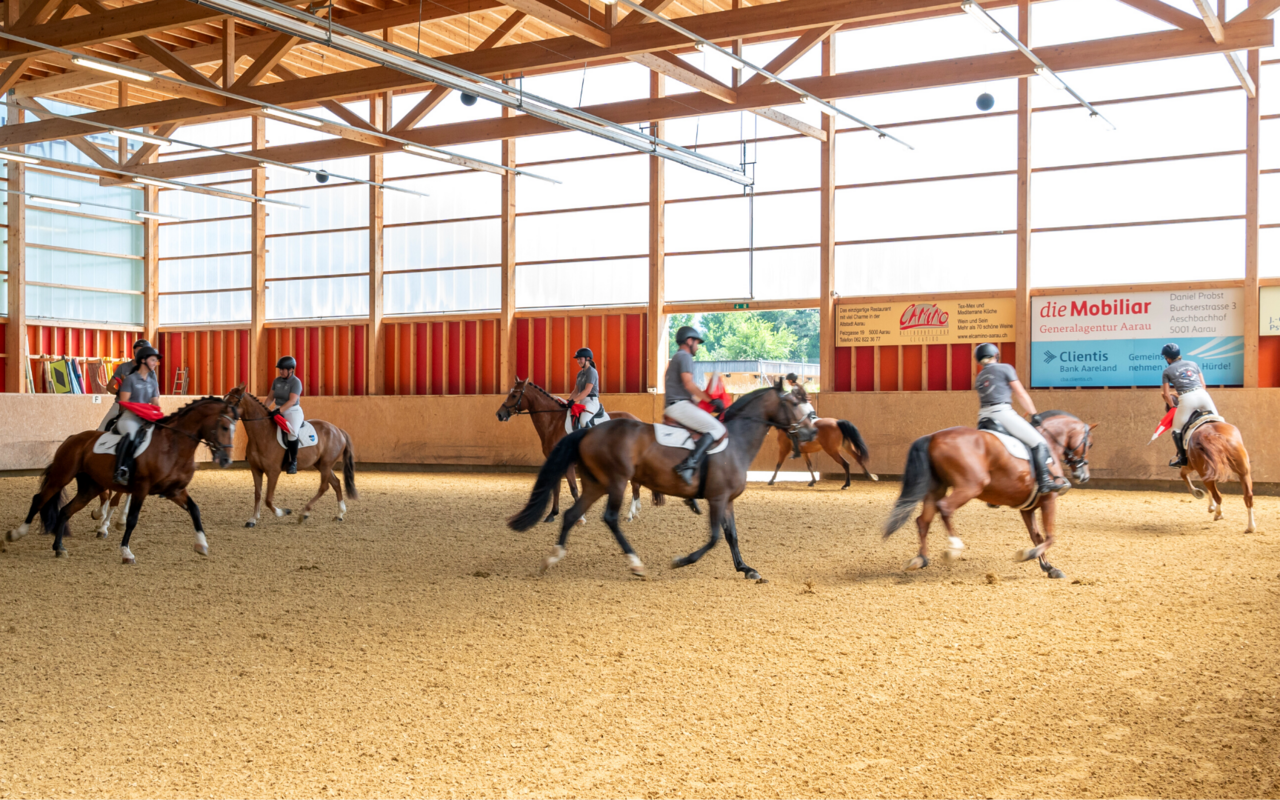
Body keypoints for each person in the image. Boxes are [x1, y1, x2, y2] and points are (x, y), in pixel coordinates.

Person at [973, 342, 1067, 495]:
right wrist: (1033, 414)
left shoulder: (979, 377)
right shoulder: (1005, 368)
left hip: (983, 417)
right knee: (1039, 443)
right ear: (996, 355)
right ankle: (1044, 482)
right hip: (1002, 413)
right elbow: (1021, 393)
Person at [665, 326, 727, 485]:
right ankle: (687, 465)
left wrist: (704, 404)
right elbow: (689, 384)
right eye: (697, 343)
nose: (697, 347)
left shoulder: (676, 358)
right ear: (689, 341)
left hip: (678, 404)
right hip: (679, 406)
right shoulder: (685, 357)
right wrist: (711, 400)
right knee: (718, 429)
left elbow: (686, 391)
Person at [1161, 342, 1218, 468]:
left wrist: (1173, 406)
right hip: (1203, 395)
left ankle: (1182, 458)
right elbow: (1203, 385)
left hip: (1187, 399)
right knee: (1219, 422)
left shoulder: (1167, 371)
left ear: (1167, 358)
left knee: (1176, 430)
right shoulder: (1193, 364)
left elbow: (1166, 395)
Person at [113, 345, 162, 485]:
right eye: (153, 360)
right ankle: (121, 469)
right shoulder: (130, 379)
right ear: (143, 360)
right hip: (130, 418)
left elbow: (155, 402)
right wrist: (141, 411)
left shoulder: (152, 382)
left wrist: (158, 415)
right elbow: (124, 401)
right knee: (132, 435)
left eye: (156, 360)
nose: (155, 363)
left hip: (146, 419)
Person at [98, 338, 151, 432]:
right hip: (120, 405)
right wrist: (118, 392)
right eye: (137, 350)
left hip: (140, 407)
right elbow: (109, 387)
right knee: (101, 429)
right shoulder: (123, 367)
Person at [266, 356, 304, 475]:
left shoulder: (296, 382)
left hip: (292, 411)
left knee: (292, 433)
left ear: (291, 370)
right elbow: (270, 398)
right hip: (278, 409)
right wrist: (264, 409)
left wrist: (279, 410)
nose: (281, 371)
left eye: (283, 369)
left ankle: (293, 462)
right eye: (280, 369)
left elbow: (292, 401)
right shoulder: (276, 381)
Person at [565, 347, 602, 431]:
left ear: (588, 358)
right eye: (577, 359)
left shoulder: (592, 372)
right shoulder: (580, 374)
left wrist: (574, 400)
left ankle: (592, 438)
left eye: (580, 359)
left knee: (583, 421)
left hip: (591, 402)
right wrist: (568, 401)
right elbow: (576, 391)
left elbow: (587, 390)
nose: (578, 361)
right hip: (582, 401)